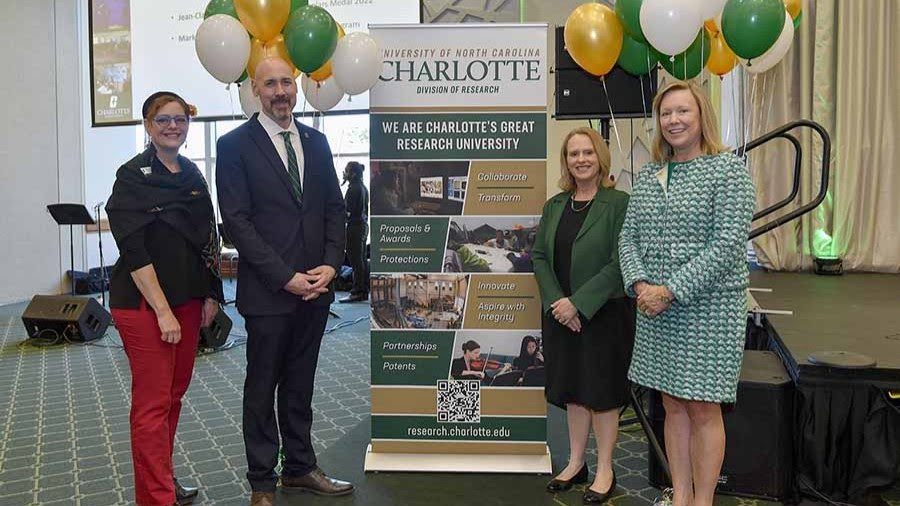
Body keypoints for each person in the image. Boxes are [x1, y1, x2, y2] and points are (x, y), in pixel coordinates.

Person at [215, 57, 351, 506]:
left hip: (316, 290)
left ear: (296, 88)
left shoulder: (317, 141)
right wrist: (285, 276)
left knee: (300, 385)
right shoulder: (234, 145)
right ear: (255, 90)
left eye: (286, 82)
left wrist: (331, 265)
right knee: (261, 387)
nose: (280, 91)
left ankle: (300, 467)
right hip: (270, 293)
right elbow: (236, 222)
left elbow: (335, 208)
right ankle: (261, 481)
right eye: (270, 83)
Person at [618, 81, 756, 506]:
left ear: (701, 117)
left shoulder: (727, 169)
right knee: (671, 405)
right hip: (655, 309)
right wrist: (641, 285)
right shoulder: (647, 173)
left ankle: (703, 501)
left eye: (683, 112)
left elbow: (728, 242)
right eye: (666, 114)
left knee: (702, 408)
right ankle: (680, 495)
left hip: (708, 309)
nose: (674, 120)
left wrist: (671, 291)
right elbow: (628, 237)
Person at [106, 91, 223, 506]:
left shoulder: (192, 175)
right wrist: (162, 311)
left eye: (180, 119)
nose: (173, 126)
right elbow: (133, 250)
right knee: (153, 404)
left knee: (173, 396)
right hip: (145, 306)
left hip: (189, 300)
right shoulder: (132, 177)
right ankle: (156, 498)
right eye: (163, 120)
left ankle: (161, 480)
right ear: (147, 125)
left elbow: (208, 237)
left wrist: (212, 293)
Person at [532, 126, 635, 504]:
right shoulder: (555, 205)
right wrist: (560, 303)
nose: (581, 160)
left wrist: (580, 302)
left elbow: (620, 261)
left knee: (603, 393)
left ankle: (606, 468)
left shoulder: (619, 203)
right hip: (562, 316)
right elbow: (540, 257)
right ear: (566, 161)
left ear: (600, 156)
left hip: (604, 315)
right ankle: (576, 462)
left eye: (587, 152)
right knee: (574, 391)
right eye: (574, 154)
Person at [339, 161, 369, 303]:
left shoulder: (353, 189)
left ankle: (357, 291)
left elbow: (347, 213)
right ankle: (362, 291)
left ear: (353, 173)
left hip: (355, 228)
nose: (344, 173)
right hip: (363, 227)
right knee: (361, 260)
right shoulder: (363, 187)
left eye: (346, 170)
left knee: (356, 261)